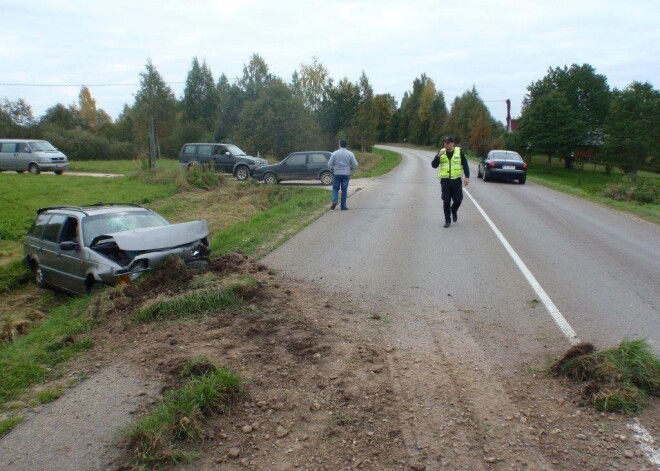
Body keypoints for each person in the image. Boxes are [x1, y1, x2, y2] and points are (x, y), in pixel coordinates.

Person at [431, 136, 470, 227]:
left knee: (458, 200)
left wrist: (467, 177)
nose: (446, 144)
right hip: (445, 181)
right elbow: (433, 165)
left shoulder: (459, 151)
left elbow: (465, 164)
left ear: (453, 143)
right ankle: (447, 220)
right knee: (446, 201)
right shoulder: (441, 152)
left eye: (448, 142)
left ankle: (454, 210)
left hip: (456, 181)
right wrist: (438, 156)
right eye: (445, 142)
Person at [327, 139, 358, 210]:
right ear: (346, 145)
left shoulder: (334, 153)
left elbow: (329, 165)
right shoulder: (350, 153)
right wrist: (350, 169)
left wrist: (333, 170)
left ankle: (334, 201)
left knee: (335, 188)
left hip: (337, 173)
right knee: (344, 190)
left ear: (340, 145)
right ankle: (343, 206)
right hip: (346, 174)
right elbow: (355, 164)